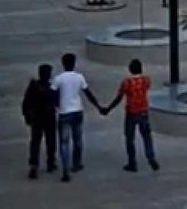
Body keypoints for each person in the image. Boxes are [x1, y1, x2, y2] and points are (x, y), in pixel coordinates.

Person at [100, 59, 160, 172]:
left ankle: (132, 163)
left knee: (130, 138)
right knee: (146, 136)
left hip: (131, 112)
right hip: (143, 111)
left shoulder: (126, 82)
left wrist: (108, 109)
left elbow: (119, 98)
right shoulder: (146, 80)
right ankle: (151, 157)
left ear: (130, 69)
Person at [51, 53, 102, 182]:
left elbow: (52, 95)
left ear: (63, 64)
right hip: (77, 111)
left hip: (64, 112)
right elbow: (88, 93)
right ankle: (76, 164)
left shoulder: (58, 79)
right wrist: (98, 106)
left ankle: (65, 169)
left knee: (64, 142)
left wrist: (57, 105)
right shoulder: (79, 77)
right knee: (77, 139)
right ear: (74, 63)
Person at [20, 63, 58, 179]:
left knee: (35, 142)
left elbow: (26, 103)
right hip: (49, 117)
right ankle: (50, 162)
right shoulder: (51, 87)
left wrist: (26, 115)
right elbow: (57, 102)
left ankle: (34, 165)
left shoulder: (33, 86)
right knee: (50, 141)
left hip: (36, 117)